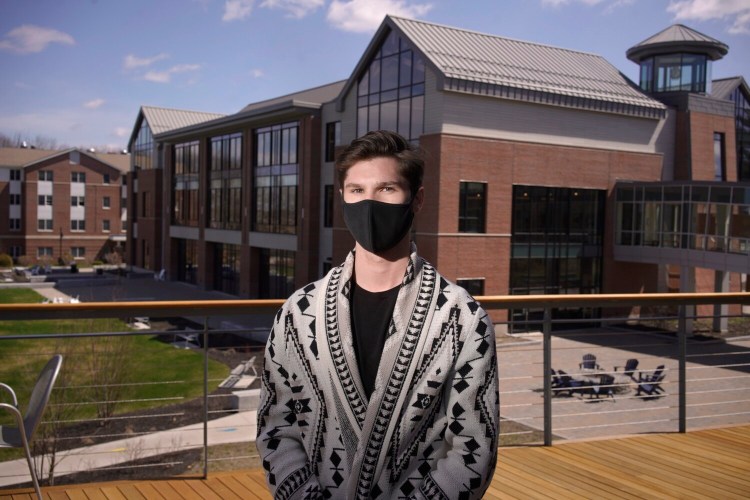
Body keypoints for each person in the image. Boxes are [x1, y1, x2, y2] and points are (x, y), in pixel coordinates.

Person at [257, 130, 499, 499]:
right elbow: (276, 427)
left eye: (387, 189)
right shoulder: (297, 314)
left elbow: (473, 447)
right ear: (342, 197)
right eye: (357, 191)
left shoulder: (460, 317)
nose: (368, 204)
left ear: (416, 199)